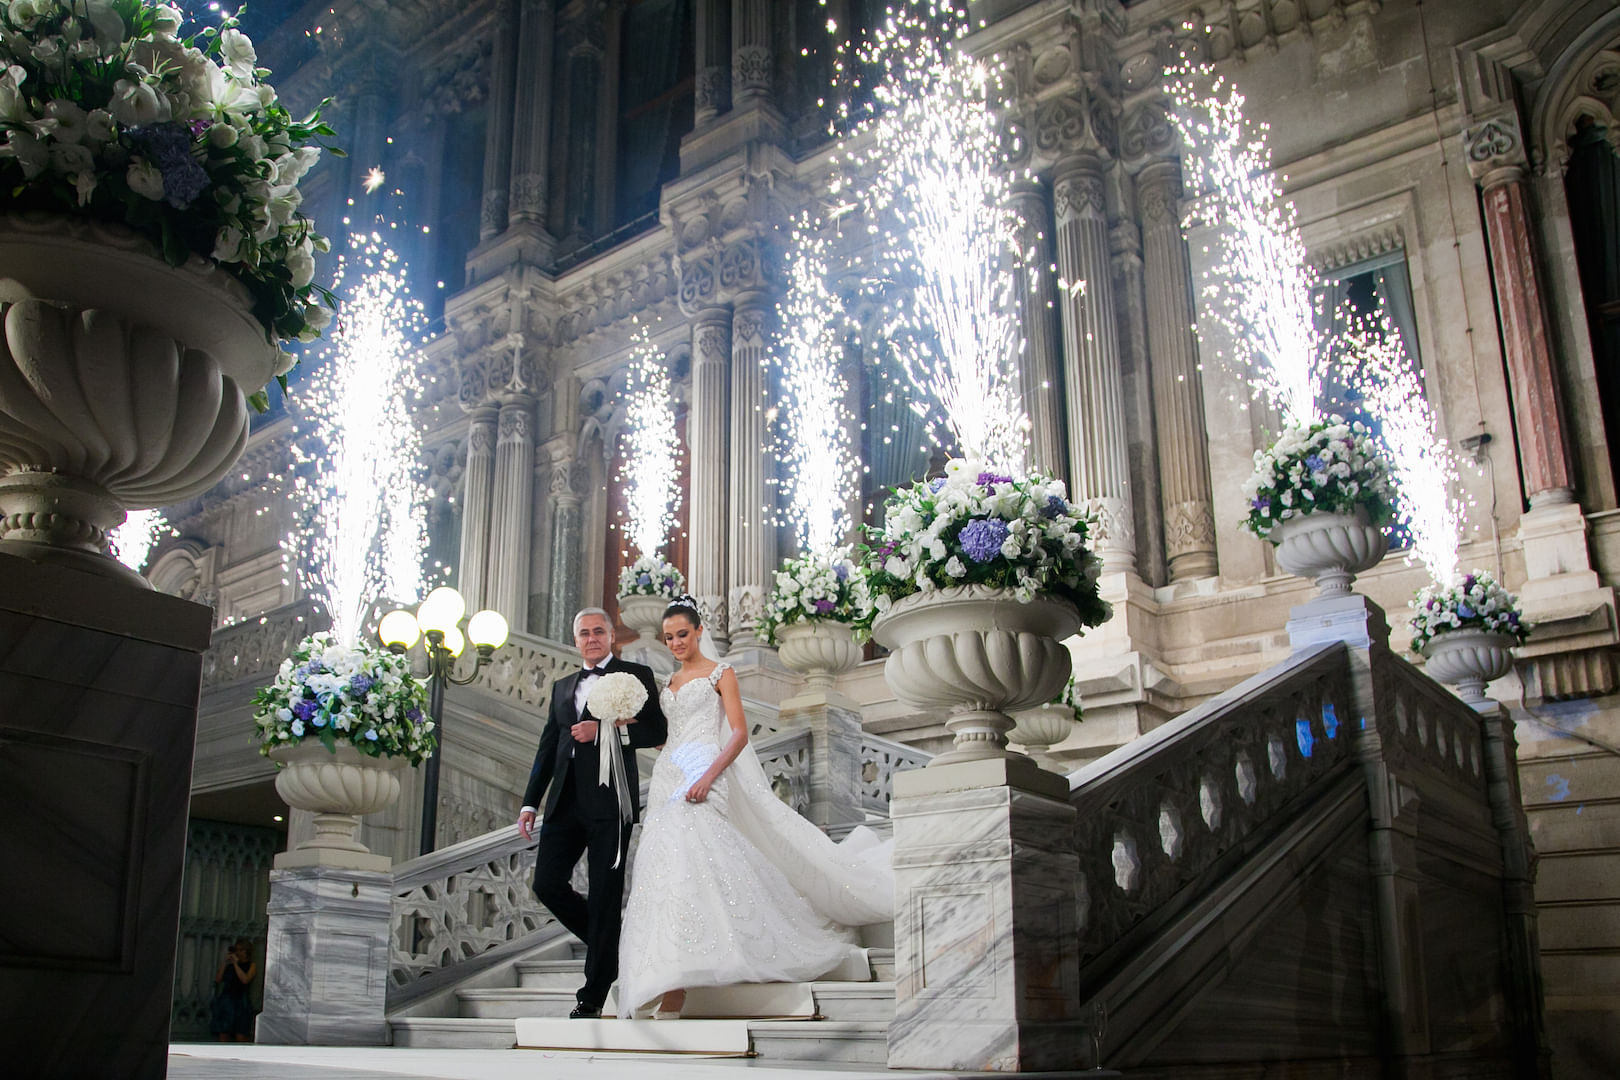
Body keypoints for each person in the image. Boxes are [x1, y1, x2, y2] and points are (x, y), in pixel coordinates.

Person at [617, 596, 892, 1019]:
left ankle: (679, 984)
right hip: (670, 774)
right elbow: (665, 738)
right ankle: (666, 968)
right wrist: (626, 723)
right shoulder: (667, 685)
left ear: (699, 632)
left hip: (706, 769)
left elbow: (739, 733)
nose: (674, 643)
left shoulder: (721, 674)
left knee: (698, 856)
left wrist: (708, 776)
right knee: (665, 865)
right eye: (669, 637)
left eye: (682, 635)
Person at [518, 607, 668, 1019]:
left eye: (598, 631)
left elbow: (657, 731)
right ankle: (614, 950)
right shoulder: (562, 686)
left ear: (611, 636)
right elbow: (548, 747)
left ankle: (592, 996)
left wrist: (607, 730)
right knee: (546, 884)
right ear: (576, 640)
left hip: (610, 801)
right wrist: (531, 801)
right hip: (564, 804)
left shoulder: (635, 675)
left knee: (604, 897)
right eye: (583, 633)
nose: (591, 638)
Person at [209, 940, 256, 1042]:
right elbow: (218, 979)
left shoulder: (251, 965)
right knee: (224, 1031)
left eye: (241, 950)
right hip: (227, 1000)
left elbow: (245, 980)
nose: (238, 953)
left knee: (241, 1033)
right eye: (236, 950)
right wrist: (225, 963)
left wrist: (236, 964)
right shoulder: (229, 966)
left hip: (241, 1001)